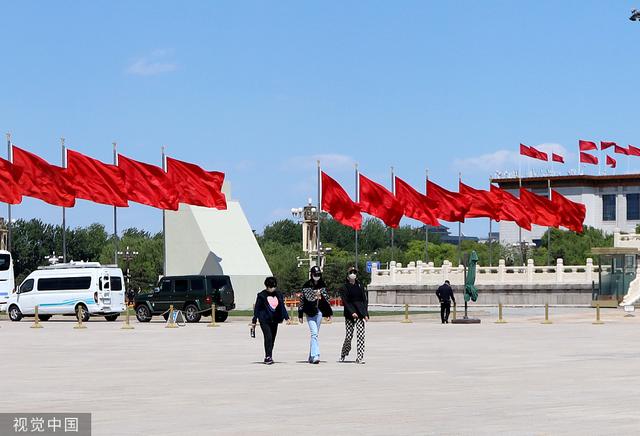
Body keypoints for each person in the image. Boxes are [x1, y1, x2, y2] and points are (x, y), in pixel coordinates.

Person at [298, 266, 333, 364]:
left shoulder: (322, 285)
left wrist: (328, 313)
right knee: (314, 333)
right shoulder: (306, 285)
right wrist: (300, 315)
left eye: (318, 275)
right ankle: (316, 355)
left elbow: (326, 299)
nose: (317, 276)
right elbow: (302, 301)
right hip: (310, 313)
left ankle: (311, 356)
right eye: (315, 275)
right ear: (311, 275)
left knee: (315, 335)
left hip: (319, 313)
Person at [251, 276, 289, 365]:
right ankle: (267, 356)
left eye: (273, 286)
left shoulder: (278, 294)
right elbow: (257, 308)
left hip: (275, 319)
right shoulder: (261, 295)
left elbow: (282, 307)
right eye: (270, 287)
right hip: (264, 319)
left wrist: (286, 317)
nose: (272, 289)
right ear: (266, 286)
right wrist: (254, 320)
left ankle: (270, 355)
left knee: (272, 338)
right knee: (268, 337)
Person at [339, 267, 368, 364]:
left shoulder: (360, 285)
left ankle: (360, 357)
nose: (353, 274)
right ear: (347, 275)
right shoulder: (344, 287)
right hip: (349, 314)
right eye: (351, 273)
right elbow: (346, 302)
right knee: (349, 336)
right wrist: (352, 312)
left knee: (360, 335)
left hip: (360, 313)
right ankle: (344, 353)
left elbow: (364, 300)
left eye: (354, 273)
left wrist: (365, 313)